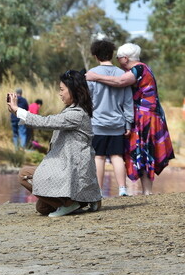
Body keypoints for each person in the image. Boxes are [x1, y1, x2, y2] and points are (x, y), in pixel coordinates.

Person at [85, 43, 174, 196]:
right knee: (131, 154)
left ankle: (103, 191)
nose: (118, 61)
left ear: (125, 58)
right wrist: (127, 122)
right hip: (136, 119)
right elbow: (126, 97)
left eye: (119, 58)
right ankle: (129, 189)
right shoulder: (135, 69)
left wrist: (95, 77)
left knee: (102, 156)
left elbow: (119, 82)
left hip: (144, 118)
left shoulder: (136, 69)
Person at [10, 70, 101, 217]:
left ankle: (69, 204)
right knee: (42, 208)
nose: (60, 93)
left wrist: (18, 111)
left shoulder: (76, 114)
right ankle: (81, 201)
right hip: (67, 169)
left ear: (74, 90)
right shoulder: (73, 110)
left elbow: (47, 122)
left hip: (71, 170)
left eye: (62, 89)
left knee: (24, 174)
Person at [87, 40, 134, 197]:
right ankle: (122, 189)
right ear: (112, 54)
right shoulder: (123, 75)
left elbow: (87, 100)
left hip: (97, 122)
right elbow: (128, 101)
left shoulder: (91, 74)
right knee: (117, 156)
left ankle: (99, 191)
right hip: (117, 123)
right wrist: (128, 122)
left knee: (99, 157)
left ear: (95, 56)